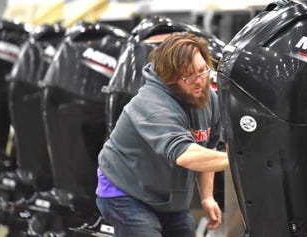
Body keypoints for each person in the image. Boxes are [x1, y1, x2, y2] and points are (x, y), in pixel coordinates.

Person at [95, 32, 229, 237]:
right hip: (125, 191)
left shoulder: (207, 97)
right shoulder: (152, 105)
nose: (199, 81)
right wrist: (238, 160)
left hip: (165, 196)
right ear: (171, 79)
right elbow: (186, 154)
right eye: (189, 76)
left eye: (202, 71)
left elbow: (207, 147)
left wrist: (207, 197)